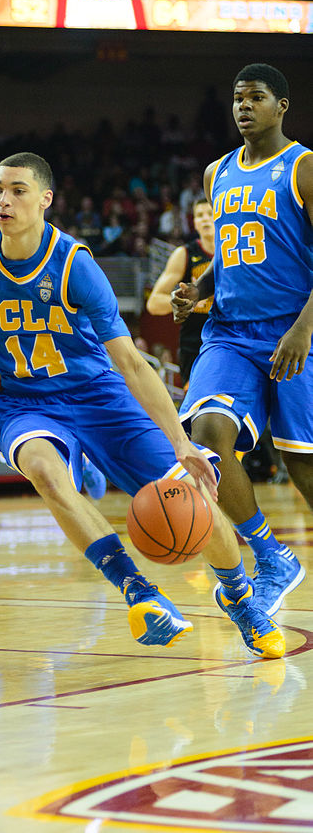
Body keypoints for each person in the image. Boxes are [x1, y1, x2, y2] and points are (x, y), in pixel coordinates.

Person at [0, 152, 285, 659]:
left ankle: (240, 597)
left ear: (45, 199)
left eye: (17, 190)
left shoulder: (74, 264)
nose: (3, 200)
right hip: (25, 403)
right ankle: (139, 592)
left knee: (191, 500)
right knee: (45, 471)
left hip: (99, 398)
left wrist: (181, 442)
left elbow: (130, 363)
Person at [173, 63, 310, 617]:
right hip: (229, 333)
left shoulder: (302, 168)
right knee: (205, 439)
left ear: (282, 107)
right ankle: (271, 556)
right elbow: (233, 254)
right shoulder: (217, 173)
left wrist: (303, 329)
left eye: (256, 97)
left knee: (301, 462)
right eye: (236, 98)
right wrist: (200, 288)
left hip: (293, 330)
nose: (243, 107)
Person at [147, 197, 215, 384]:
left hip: (229, 335)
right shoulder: (184, 254)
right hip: (195, 343)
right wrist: (180, 301)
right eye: (199, 215)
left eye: (210, 213)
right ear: (193, 222)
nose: (205, 219)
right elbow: (153, 303)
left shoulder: (233, 251)